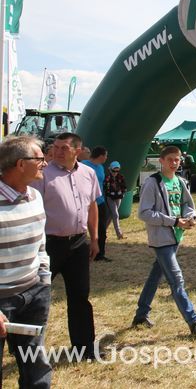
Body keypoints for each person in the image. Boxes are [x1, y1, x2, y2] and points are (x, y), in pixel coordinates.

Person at [31, 132, 100, 360]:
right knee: (35, 298)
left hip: (79, 243)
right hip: (49, 245)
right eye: (56, 147)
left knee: (80, 296)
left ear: (77, 151)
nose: (58, 151)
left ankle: (84, 348)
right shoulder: (42, 175)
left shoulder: (89, 173)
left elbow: (92, 207)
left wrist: (95, 238)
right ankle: (24, 346)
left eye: (64, 148)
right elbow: (33, 211)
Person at [133, 146, 196, 335]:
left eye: (177, 160)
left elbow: (187, 204)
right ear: (161, 161)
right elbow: (144, 213)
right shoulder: (153, 183)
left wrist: (191, 216)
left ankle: (141, 314)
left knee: (155, 276)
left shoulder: (179, 181)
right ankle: (193, 321)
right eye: (170, 159)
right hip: (162, 238)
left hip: (176, 236)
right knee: (176, 279)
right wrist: (175, 221)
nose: (174, 163)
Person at [0, 136, 53, 387]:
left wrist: (43, 279)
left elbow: (41, 242)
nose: (45, 162)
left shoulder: (34, 195)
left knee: (35, 364)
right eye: (40, 158)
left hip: (34, 294)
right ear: (21, 164)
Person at [82, 146, 111, 262]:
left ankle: (100, 254)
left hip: (100, 201)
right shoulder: (83, 165)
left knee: (102, 229)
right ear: (101, 156)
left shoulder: (100, 167)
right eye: (106, 155)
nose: (106, 158)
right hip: (86, 202)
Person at [104, 160, 126, 239]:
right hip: (110, 198)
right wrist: (111, 194)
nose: (115, 172)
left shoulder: (121, 177)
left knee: (111, 215)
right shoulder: (107, 178)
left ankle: (102, 231)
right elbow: (106, 188)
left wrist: (122, 193)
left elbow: (124, 187)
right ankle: (119, 234)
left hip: (118, 198)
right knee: (115, 214)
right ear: (110, 169)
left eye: (117, 171)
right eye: (114, 170)